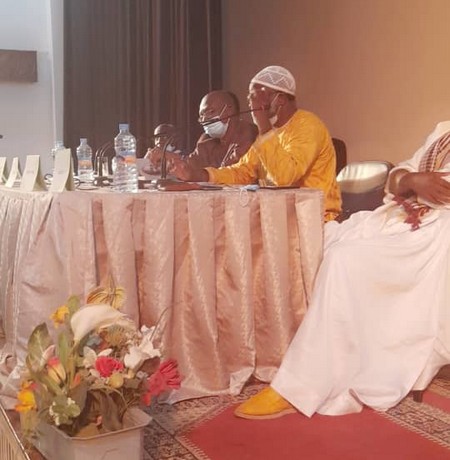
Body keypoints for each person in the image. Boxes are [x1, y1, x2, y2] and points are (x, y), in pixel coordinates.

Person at [234, 121, 450, 419]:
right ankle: (286, 353)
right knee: (316, 243)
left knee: (343, 259)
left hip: (435, 234)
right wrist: (411, 179)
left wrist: (415, 186)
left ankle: (299, 386)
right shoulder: (443, 130)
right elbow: (397, 178)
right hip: (398, 218)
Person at [171, 65, 342, 222]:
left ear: (280, 99)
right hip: (278, 220)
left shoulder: (308, 125)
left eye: (255, 96)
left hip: (316, 220)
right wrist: (198, 175)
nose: (250, 101)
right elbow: (242, 172)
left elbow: (285, 178)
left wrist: (263, 125)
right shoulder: (269, 133)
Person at [147, 91, 257, 171]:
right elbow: (191, 165)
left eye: (210, 112)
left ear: (229, 110)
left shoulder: (247, 132)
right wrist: (167, 156)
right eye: (201, 116)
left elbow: (231, 172)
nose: (204, 120)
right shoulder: (206, 139)